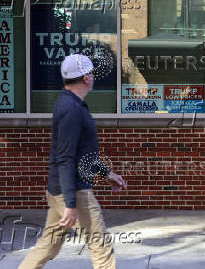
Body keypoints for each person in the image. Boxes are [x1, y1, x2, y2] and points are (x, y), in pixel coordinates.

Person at [19, 54, 127, 269]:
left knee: (47, 246)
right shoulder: (71, 109)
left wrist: (108, 174)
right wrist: (70, 204)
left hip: (61, 189)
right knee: (100, 246)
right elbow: (66, 159)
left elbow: (82, 154)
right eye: (92, 73)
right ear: (86, 78)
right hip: (75, 191)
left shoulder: (69, 104)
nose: (94, 77)